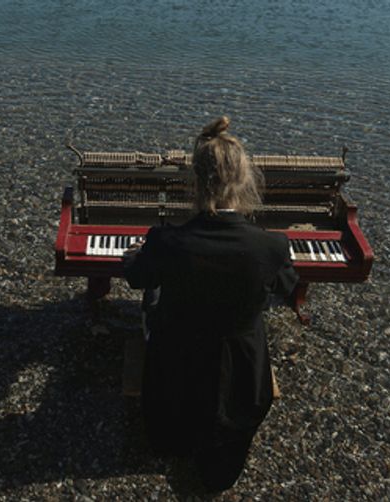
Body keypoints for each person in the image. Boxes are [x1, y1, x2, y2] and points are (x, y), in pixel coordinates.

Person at [123, 116, 298, 491]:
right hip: (241, 369)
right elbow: (287, 289)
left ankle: (176, 437)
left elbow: (137, 277)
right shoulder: (272, 246)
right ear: (244, 180)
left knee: (153, 299)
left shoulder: (166, 242)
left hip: (176, 361)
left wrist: (134, 254)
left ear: (195, 182)